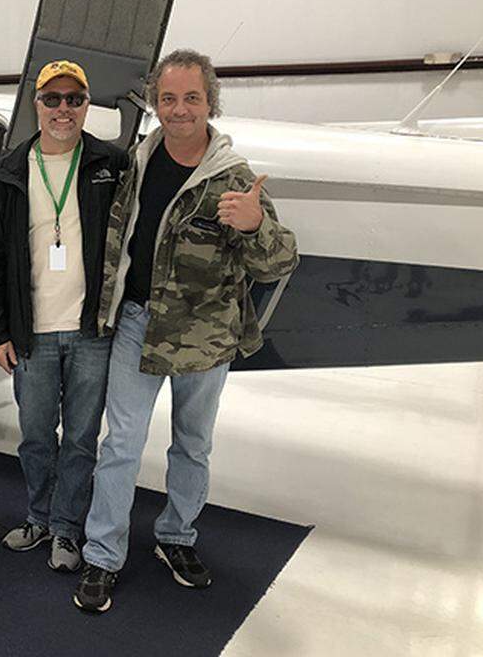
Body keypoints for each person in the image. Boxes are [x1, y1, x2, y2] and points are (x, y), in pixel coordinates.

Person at [72, 49, 299, 612]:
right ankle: (103, 555)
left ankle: (176, 538)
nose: (179, 110)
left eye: (191, 98)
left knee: (192, 446)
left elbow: (280, 262)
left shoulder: (234, 178)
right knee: (120, 444)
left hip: (206, 338)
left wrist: (254, 227)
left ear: (209, 103)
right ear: (156, 104)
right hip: (136, 326)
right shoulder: (135, 164)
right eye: (168, 99)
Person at [0, 60, 130, 573]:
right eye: (53, 99)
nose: (63, 109)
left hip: (91, 333)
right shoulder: (7, 173)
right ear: (36, 105)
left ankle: (67, 529)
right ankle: (39, 518)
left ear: (86, 105)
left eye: (74, 99)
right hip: (31, 333)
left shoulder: (112, 165)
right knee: (37, 436)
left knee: (83, 438)